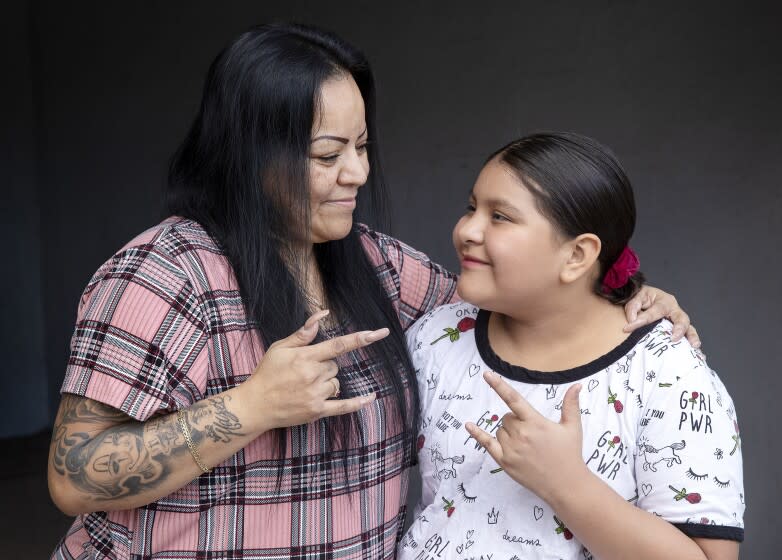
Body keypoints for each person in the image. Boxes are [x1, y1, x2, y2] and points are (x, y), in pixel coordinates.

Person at [47, 24, 696, 559]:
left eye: (361, 146)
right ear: (250, 153)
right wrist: (253, 406)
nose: (358, 172)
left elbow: (523, 298)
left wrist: (625, 292)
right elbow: (74, 476)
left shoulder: (385, 271)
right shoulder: (161, 275)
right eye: (329, 153)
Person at [399, 132, 743, 560]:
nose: (467, 229)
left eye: (500, 217)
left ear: (578, 255)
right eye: (472, 207)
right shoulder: (436, 338)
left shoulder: (668, 373)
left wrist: (566, 483)